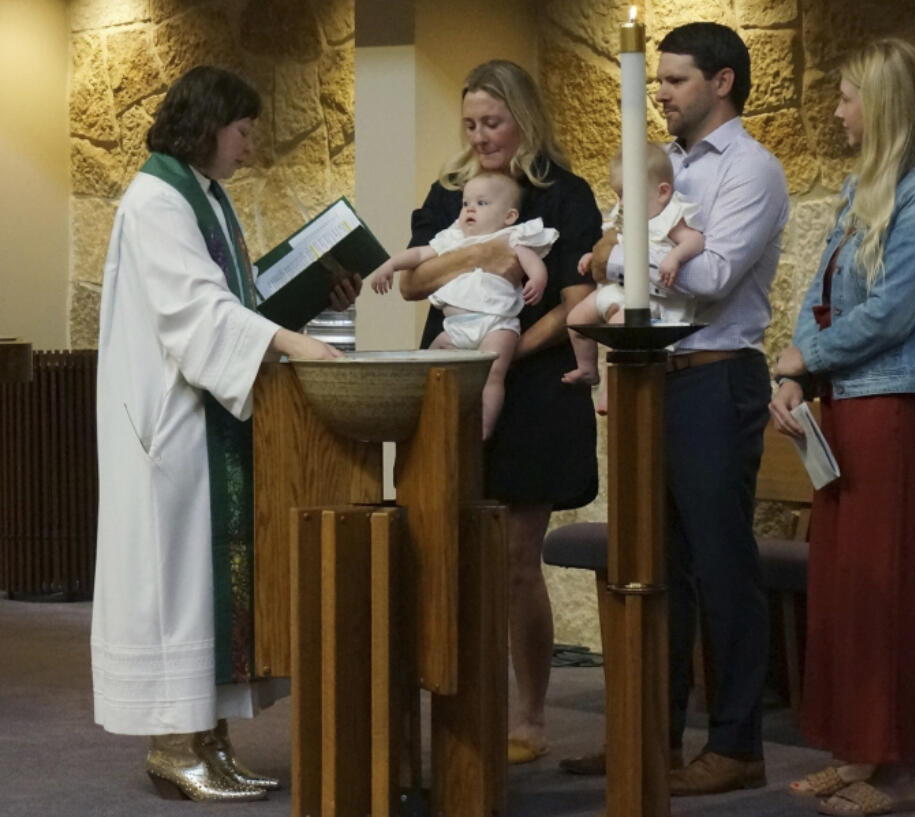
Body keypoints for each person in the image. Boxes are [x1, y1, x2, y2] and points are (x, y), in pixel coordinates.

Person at [90, 65, 360, 802]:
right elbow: (195, 314)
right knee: (176, 580)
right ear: (210, 126)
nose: (251, 146)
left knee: (206, 583)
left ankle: (209, 736)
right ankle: (175, 743)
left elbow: (234, 298)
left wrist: (311, 292)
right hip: (171, 425)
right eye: (245, 131)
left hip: (204, 416)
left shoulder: (201, 195)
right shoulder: (156, 200)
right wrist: (296, 346)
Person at [769, 38, 915, 816]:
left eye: (849, 96)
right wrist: (796, 371)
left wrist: (806, 353)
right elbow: (819, 291)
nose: (837, 109)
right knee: (844, 586)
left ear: (883, 105)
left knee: (887, 585)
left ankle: (899, 771)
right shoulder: (863, 189)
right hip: (844, 399)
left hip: (893, 404)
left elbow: (894, 311)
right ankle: (855, 749)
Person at [591, 22, 789, 796]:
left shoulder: (753, 169)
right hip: (650, 377)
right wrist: (632, 253)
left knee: (719, 564)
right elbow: (602, 250)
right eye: (658, 79)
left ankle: (737, 742)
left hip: (714, 375)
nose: (660, 94)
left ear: (722, 83)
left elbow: (710, 275)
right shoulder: (660, 166)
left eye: (674, 80)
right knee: (650, 562)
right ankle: (651, 738)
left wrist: (627, 254)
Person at [395, 59, 601, 765]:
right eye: (471, 124)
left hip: (534, 387)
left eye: (493, 122)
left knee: (516, 560)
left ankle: (531, 712)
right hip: (451, 382)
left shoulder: (565, 195)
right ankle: (461, 706)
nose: (481, 136)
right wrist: (492, 250)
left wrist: (503, 351)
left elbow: (572, 304)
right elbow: (414, 281)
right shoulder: (451, 192)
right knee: (448, 554)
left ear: (524, 118)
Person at [370, 170, 558, 439]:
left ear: (509, 216)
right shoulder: (452, 239)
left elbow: (531, 261)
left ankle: (482, 428)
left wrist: (538, 280)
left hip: (497, 324)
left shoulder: (511, 237)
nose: (470, 209)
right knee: (430, 366)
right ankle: (431, 418)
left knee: (494, 373)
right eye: (466, 203)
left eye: (482, 204)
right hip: (455, 328)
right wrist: (390, 264)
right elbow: (420, 253)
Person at [563, 142, 704, 387]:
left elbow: (696, 240)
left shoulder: (668, 218)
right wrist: (591, 256)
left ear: (662, 192)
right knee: (576, 319)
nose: (623, 203)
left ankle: (613, 387)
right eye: (619, 195)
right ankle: (587, 368)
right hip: (616, 289)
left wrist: (676, 256)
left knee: (620, 331)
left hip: (648, 300)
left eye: (629, 194)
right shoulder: (623, 216)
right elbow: (612, 243)